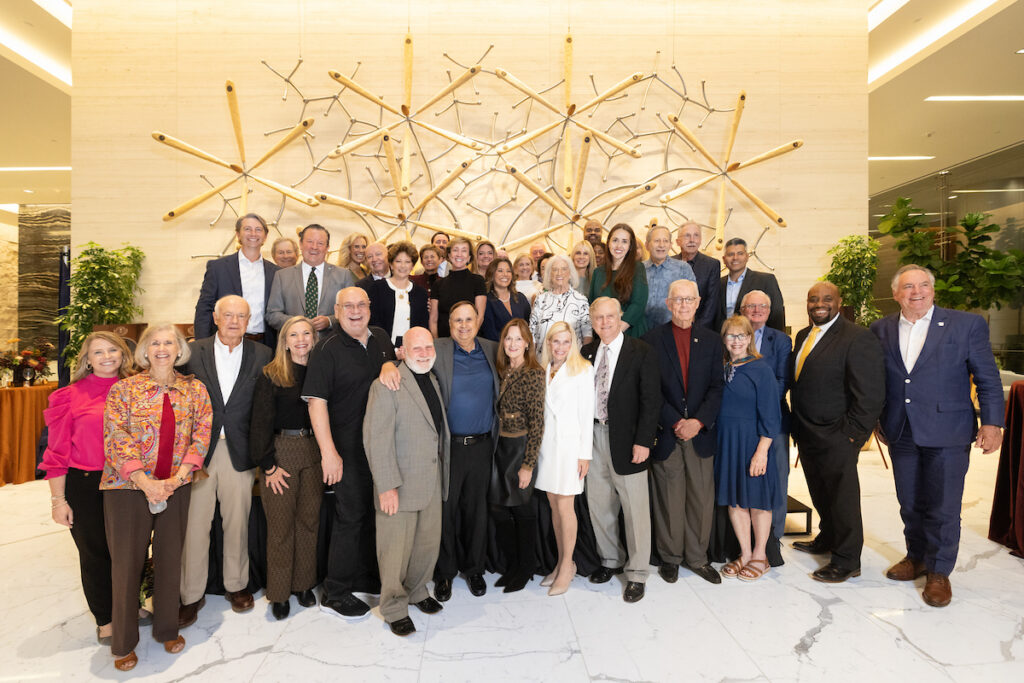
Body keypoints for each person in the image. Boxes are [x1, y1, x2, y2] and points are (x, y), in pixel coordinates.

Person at [871, 264, 1004, 607]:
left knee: (943, 505)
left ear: (933, 290)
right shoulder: (881, 328)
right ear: (896, 294)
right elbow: (876, 379)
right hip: (901, 429)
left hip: (948, 430)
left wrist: (992, 423)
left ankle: (939, 572)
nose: (916, 292)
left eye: (923, 285)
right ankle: (916, 557)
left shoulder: (966, 324)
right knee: (910, 501)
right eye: (908, 287)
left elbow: (987, 377)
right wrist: (875, 419)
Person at [102, 324, 212, 671]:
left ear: (179, 349)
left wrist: (178, 478)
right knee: (126, 564)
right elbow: (116, 436)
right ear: (145, 351)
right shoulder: (124, 389)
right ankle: (123, 642)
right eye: (155, 343)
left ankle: (167, 628)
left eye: (169, 342)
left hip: (176, 486)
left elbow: (202, 435)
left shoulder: (195, 389)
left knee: (169, 559)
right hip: (127, 488)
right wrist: (144, 480)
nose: (162, 348)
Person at [303, 287, 396, 620]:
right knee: (350, 516)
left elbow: (390, 367)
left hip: (380, 448)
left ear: (369, 308)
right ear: (337, 310)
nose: (355, 311)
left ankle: (366, 577)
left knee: (374, 514)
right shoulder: (326, 349)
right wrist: (329, 453)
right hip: (347, 449)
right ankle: (337, 591)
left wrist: (389, 363)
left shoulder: (381, 337)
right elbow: (316, 403)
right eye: (348, 306)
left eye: (361, 305)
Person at [179, 295, 273, 626]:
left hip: (240, 451)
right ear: (216, 318)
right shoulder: (192, 352)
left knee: (237, 522)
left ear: (249, 321)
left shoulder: (263, 354)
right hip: (198, 453)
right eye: (228, 315)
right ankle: (190, 594)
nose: (234, 321)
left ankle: (237, 585)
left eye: (241, 316)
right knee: (195, 525)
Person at [40, 331, 135, 647]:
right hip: (86, 483)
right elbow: (56, 452)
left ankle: (129, 607)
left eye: (112, 350)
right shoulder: (68, 396)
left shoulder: (136, 389)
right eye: (98, 352)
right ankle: (106, 618)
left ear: (123, 354)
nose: (107, 356)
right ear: (87, 360)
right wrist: (58, 500)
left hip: (129, 483)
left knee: (130, 551)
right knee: (95, 553)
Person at [789, 281, 884, 583]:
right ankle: (827, 537)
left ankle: (846, 560)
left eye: (827, 299)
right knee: (820, 491)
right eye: (813, 299)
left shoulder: (857, 337)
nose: (819, 304)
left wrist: (853, 435)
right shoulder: (804, 335)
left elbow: (870, 394)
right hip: (807, 431)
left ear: (839, 302)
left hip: (838, 435)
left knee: (843, 498)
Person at [363, 327, 449, 636]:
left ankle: (416, 591)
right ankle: (394, 607)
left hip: (431, 478)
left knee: (426, 544)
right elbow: (376, 439)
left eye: (429, 348)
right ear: (403, 352)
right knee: (395, 551)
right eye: (417, 349)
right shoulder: (386, 385)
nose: (424, 354)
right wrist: (386, 486)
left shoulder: (433, 380)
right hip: (398, 483)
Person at [642, 279, 724, 585]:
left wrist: (698, 422)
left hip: (700, 433)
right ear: (668, 304)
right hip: (668, 432)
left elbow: (717, 387)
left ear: (698, 303)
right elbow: (650, 390)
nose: (684, 305)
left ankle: (698, 557)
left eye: (689, 299)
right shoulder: (652, 340)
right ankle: (670, 557)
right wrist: (676, 421)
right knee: (669, 498)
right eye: (678, 300)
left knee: (701, 499)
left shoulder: (712, 341)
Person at [581, 297, 660, 603]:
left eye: (610, 316)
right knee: (599, 503)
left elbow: (651, 401)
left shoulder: (641, 351)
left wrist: (644, 441)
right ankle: (610, 560)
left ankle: (637, 573)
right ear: (592, 321)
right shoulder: (586, 353)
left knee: (635, 509)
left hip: (628, 441)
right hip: (593, 437)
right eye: (598, 318)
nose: (604, 322)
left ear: (620, 317)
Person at [248, 316, 322, 621]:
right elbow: (259, 423)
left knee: (308, 522)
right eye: (294, 335)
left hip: (314, 451)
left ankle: (303, 584)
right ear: (285, 342)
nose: (301, 339)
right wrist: (268, 466)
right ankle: (279, 593)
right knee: (280, 527)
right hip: (282, 452)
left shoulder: (321, 371)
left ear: (314, 338)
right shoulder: (272, 374)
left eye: (306, 334)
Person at [430, 301, 500, 601]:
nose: (463, 325)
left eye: (468, 319)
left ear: (477, 321)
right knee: (446, 509)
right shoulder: (437, 349)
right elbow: (406, 360)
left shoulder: (492, 349)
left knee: (477, 510)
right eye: (457, 320)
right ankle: (444, 572)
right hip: (449, 447)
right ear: (449, 325)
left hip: (483, 445)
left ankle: (474, 569)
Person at [715, 315, 783, 581]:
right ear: (724, 339)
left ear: (749, 338)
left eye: (741, 335)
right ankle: (744, 553)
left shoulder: (761, 369)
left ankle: (760, 556)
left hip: (753, 443)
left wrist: (761, 451)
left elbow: (772, 415)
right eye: (731, 335)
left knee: (757, 500)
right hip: (728, 444)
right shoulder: (722, 368)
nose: (736, 341)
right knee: (735, 500)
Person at [535, 321, 593, 596]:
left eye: (565, 342)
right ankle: (560, 563)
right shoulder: (544, 369)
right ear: (548, 343)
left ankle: (568, 565)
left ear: (573, 344)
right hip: (547, 448)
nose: (560, 347)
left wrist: (585, 454)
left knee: (565, 506)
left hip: (570, 448)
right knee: (553, 505)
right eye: (555, 341)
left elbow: (587, 414)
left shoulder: (583, 369)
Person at [491, 319, 546, 593]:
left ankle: (526, 567)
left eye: (518, 339)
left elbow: (537, 422)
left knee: (522, 509)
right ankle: (513, 564)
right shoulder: (503, 370)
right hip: (499, 447)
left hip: (519, 448)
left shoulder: (534, 373)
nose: (512, 343)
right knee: (499, 508)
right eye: (508, 338)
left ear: (527, 343)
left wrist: (528, 464)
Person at [739, 289, 792, 547]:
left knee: (778, 476)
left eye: (762, 306)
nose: (757, 310)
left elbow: (783, 379)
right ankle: (745, 535)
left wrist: (762, 407)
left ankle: (774, 537)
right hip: (741, 421)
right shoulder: (732, 337)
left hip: (774, 419)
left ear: (769, 312)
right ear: (742, 310)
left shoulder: (780, 340)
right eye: (751, 306)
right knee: (745, 474)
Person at [194, 213, 280, 349]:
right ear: (238, 234)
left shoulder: (276, 272)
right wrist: (202, 346)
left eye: (258, 229)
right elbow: (204, 308)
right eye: (247, 229)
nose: (253, 233)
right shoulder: (218, 268)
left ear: (265, 236)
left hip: (265, 345)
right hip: (225, 344)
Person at [266, 223, 354, 337]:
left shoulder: (343, 275)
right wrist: (298, 323)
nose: (314, 247)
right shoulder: (282, 276)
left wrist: (330, 321)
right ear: (301, 244)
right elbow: (272, 315)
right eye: (310, 242)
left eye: (320, 243)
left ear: (327, 247)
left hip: (331, 343)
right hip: (294, 344)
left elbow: (352, 310)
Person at [589, 223, 650, 338]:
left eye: (624, 241)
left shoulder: (638, 268)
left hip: (630, 333)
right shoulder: (598, 272)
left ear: (630, 246)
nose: (619, 246)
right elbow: (592, 305)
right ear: (608, 243)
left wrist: (615, 334)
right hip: (603, 333)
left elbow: (638, 304)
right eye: (615, 240)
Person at [366, 241, 429, 348]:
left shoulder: (421, 293)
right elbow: (373, 321)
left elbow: (423, 325)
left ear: (412, 266)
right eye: (398, 261)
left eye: (407, 262)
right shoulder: (377, 288)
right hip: (382, 347)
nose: (403, 266)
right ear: (391, 264)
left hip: (413, 348)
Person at [716, 237, 785, 332]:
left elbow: (777, 314)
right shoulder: (717, 284)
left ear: (747, 256)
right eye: (730, 254)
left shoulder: (766, 280)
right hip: (721, 337)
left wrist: (776, 338)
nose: (735, 258)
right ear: (724, 259)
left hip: (756, 337)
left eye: (740, 253)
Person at [529, 253, 592, 349]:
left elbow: (588, 335)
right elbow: (532, 333)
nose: (559, 273)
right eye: (555, 269)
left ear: (570, 273)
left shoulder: (581, 300)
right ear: (550, 274)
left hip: (572, 357)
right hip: (543, 357)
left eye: (564, 269)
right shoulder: (540, 299)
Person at [429, 237, 487, 338]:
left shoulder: (478, 281)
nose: (459, 254)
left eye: (464, 251)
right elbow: (433, 319)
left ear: (469, 257)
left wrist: (467, 340)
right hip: (444, 341)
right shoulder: (438, 284)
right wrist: (437, 343)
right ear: (449, 255)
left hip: (470, 340)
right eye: (455, 250)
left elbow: (480, 316)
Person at [643, 225, 696, 330]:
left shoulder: (683, 268)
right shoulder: (638, 269)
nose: (661, 245)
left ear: (671, 245)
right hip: (642, 329)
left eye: (665, 241)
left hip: (673, 330)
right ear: (647, 245)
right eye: (657, 241)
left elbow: (692, 302)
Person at [672, 221, 719, 330]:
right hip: (670, 327)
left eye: (696, 235)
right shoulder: (669, 263)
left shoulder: (711, 265)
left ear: (700, 240)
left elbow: (711, 303)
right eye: (687, 236)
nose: (692, 240)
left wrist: (695, 329)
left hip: (700, 328)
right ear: (678, 241)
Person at [480, 257, 532, 342]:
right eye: (500, 271)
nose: (505, 274)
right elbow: (489, 333)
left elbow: (528, 326)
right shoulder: (486, 300)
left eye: (508, 271)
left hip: (520, 347)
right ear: (492, 274)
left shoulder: (520, 298)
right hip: (495, 348)